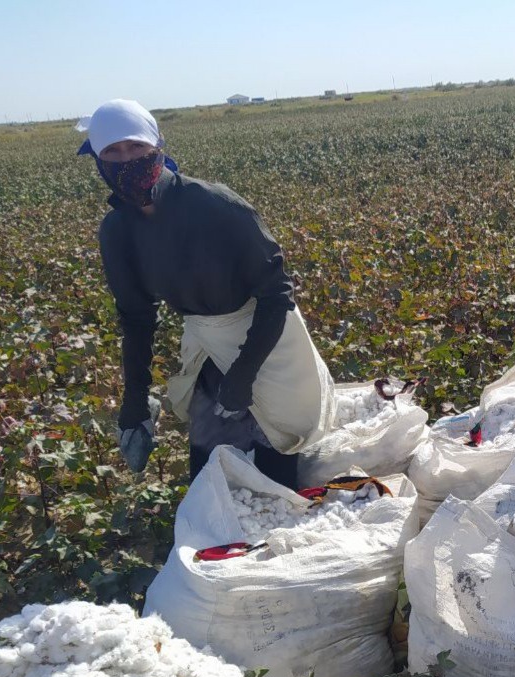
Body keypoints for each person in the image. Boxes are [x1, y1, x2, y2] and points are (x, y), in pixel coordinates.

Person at [79, 99, 334, 488]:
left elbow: (276, 291)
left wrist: (244, 374)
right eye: (112, 151)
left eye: (135, 146)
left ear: (157, 146)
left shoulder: (215, 205)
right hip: (206, 345)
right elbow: (136, 317)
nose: (125, 159)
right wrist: (134, 401)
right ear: (98, 160)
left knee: (276, 472)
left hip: (267, 340)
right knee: (210, 474)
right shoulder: (117, 232)